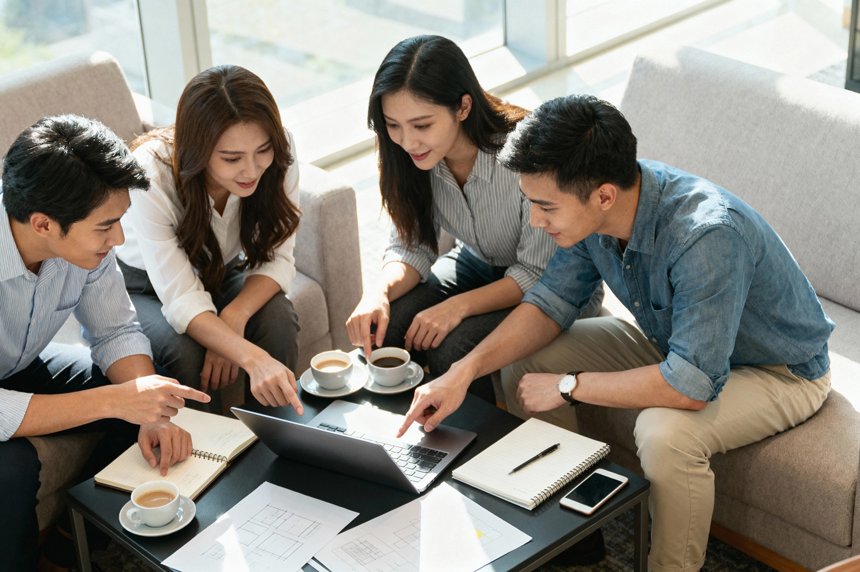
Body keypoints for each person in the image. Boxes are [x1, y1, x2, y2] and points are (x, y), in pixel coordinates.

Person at [397, 94, 834, 571]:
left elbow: (690, 385)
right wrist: (462, 372)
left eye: (545, 207)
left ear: (603, 196)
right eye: (530, 203)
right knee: (527, 361)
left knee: (664, 432)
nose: (536, 221)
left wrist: (570, 386)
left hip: (778, 371)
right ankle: (569, 539)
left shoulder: (706, 235)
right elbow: (550, 301)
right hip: (670, 342)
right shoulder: (597, 211)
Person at [0, 115, 211, 571]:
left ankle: (70, 548)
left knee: (153, 387)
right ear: (43, 224)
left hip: (10, 366)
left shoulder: (80, 234)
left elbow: (116, 332)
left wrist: (147, 407)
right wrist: (120, 400)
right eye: (106, 227)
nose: (119, 239)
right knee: (5, 469)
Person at [345, 35, 602, 404]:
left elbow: (536, 273)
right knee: (388, 325)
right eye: (393, 125)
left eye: (422, 125)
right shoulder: (411, 157)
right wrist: (378, 293)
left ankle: (478, 437)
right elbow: (411, 246)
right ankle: (390, 431)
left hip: (551, 286)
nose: (407, 141)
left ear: (463, 107)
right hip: (477, 264)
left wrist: (456, 307)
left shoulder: (527, 153)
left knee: (453, 348)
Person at [117, 64, 303, 415]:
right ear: (197, 150)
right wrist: (247, 355)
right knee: (185, 352)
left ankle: (276, 437)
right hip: (143, 286)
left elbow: (278, 258)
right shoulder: (150, 174)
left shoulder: (280, 153)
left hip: (219, 271)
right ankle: (215, 447)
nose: (252, 170)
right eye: (232, 158)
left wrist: (233, 317)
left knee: (278, 320)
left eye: (262, 150)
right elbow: (182, 298)